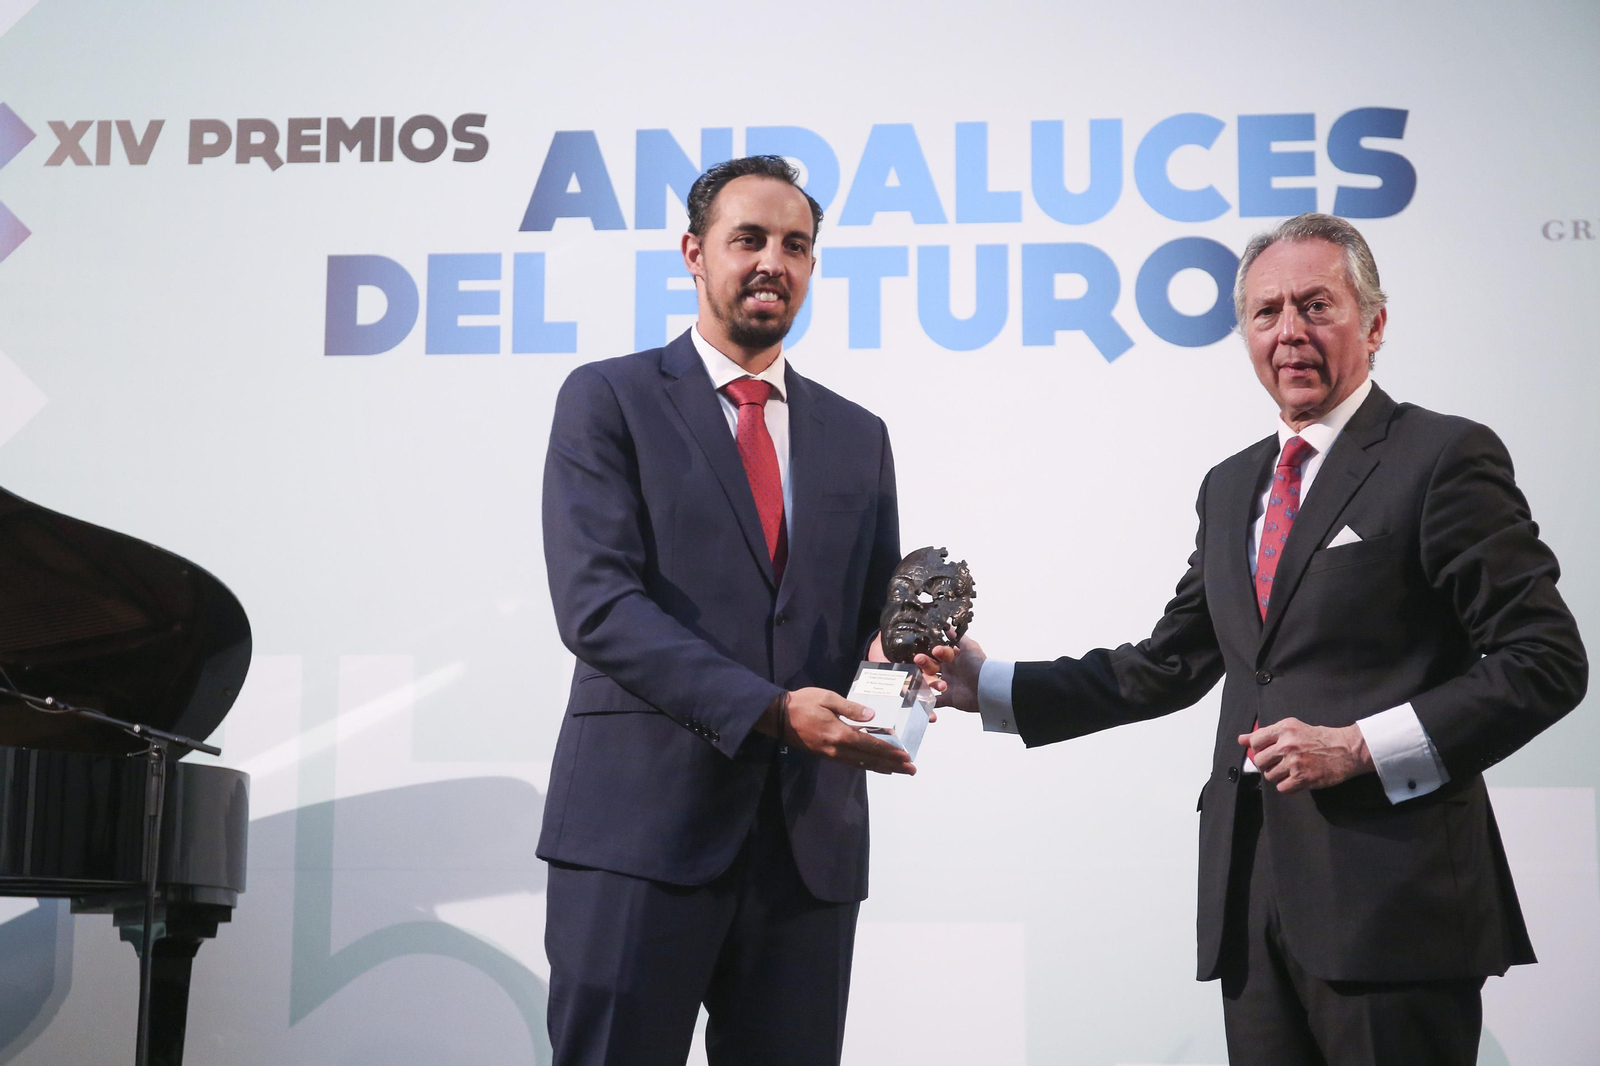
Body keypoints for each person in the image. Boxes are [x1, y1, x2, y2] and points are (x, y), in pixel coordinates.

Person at [930, 213, 1587, 1066]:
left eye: (1317, 306)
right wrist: (994, 686)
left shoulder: (1441, 457)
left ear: (1375, 323)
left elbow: (1546, 660)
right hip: (1253, 898)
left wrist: (1360, 745)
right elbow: (1172, 662)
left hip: (1396, 905)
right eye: (1267, 313)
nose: (1290, 333)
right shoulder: (1234, 483)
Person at [538, 155, 927, 1066]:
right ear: (693, 254)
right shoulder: (609, 399)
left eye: (795, 246)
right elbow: (597, 606)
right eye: (747, 239)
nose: (772, 262)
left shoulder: (858, 435)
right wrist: (768, 711)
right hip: (640, 832)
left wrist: (912, 661)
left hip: (806, 848)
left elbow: (874, 619)